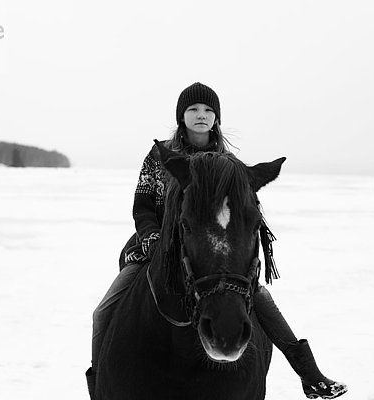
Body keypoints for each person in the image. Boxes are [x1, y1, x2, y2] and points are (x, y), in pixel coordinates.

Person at [87, 82, 347, 399]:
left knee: (259, 299)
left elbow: (235, 214)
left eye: (209, 110)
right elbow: (143, 206)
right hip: (155, 249)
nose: (201, 116)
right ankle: (99, 382)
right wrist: (152, 237)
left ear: (217, 118)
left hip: (212, 252)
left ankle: (309, 373)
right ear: (181, 116)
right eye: (194, 109)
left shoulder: (226, 161)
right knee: (103, 312)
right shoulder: (159, 157)